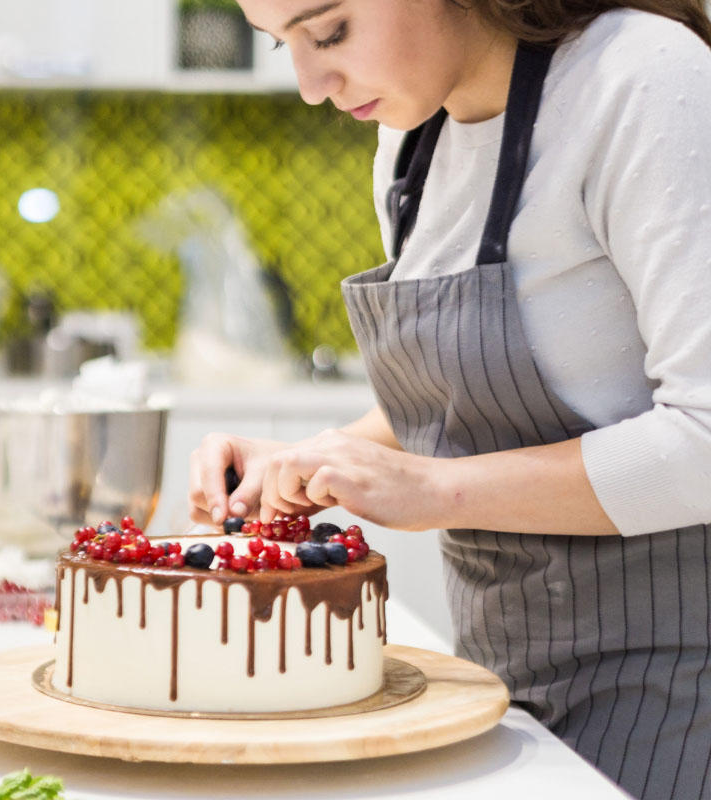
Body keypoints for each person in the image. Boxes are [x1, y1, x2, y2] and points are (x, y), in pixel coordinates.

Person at [187, 1, 711, 797]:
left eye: (329, 32)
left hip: (676, 689)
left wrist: (435, 491)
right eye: (281, 44)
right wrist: (312, 459)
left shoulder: (643, 78)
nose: (308, 84)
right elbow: (459, 403)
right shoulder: (409, 141)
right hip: (501, 680)